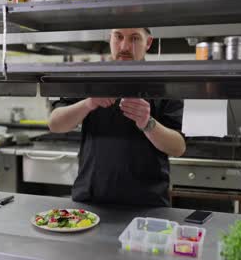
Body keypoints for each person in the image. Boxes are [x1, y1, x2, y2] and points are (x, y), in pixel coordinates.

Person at [48, 28, 186, 207]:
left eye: (135, 38)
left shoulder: (165, 82)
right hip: (90, 199)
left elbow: (178, 147)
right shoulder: (88, 77)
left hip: (147, 204)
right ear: (110, 38)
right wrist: (88, 103)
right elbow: (55, 124)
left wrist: (148, 123)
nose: (125, 46)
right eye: (118, 36)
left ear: (149, 42)